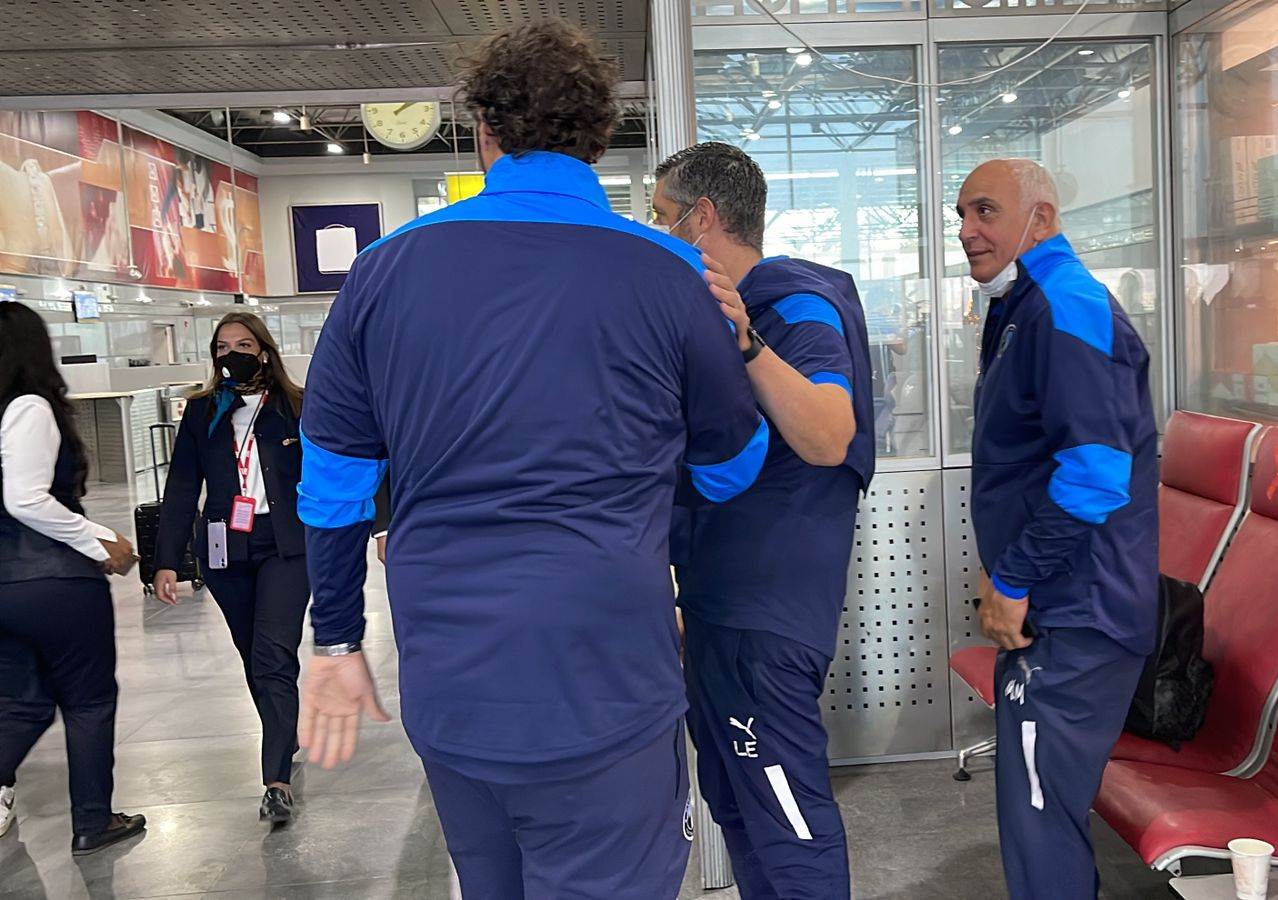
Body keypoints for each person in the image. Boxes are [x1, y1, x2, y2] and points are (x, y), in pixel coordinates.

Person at [293, 22, 767, 900]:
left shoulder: (381, 271)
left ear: (484, 129)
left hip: (453, 686)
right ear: (598, 137)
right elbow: (732, 469)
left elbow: (332, 480)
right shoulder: (674, 273)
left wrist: (337, 637)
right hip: (607, 678)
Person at [651, 142, 875, 899]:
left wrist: (747, 341)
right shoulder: (712, 322)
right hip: (719, 608)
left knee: (787, 822)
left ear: (701, 219)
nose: (655, 230)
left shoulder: (795, 306)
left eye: (661, 215)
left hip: (765, 620)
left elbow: (829, 434)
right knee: (739, 808)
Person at [958, 159, 1158, 899]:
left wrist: (1014, 577)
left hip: (1078, 611)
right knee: (1034, 814)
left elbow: (1096, 473)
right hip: (1055, 607)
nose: (966, 229)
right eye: (960, 214)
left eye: (985, 210)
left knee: (1040, 818)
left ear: (1040, 218)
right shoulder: (1025, 305)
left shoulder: (1065, 304)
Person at [153, 310, 309, 827]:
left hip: (286, 546)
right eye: (222, 347)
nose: (232, 355)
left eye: (243, 345)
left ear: (263, 351)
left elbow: (326, 472)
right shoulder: (203, 411)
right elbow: (181, 487)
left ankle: (275, 781)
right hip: (225, 549)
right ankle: (284, 732)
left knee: (272, 653)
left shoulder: (294, 405)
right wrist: (167, 561)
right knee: (252, 654)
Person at [0, 301, 145, 854]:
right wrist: (98, 539)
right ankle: (92, 820)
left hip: (5, 585)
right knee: (88, 701)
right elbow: (25, 498)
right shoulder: (29, 406)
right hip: (54, 582)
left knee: (23, 702)